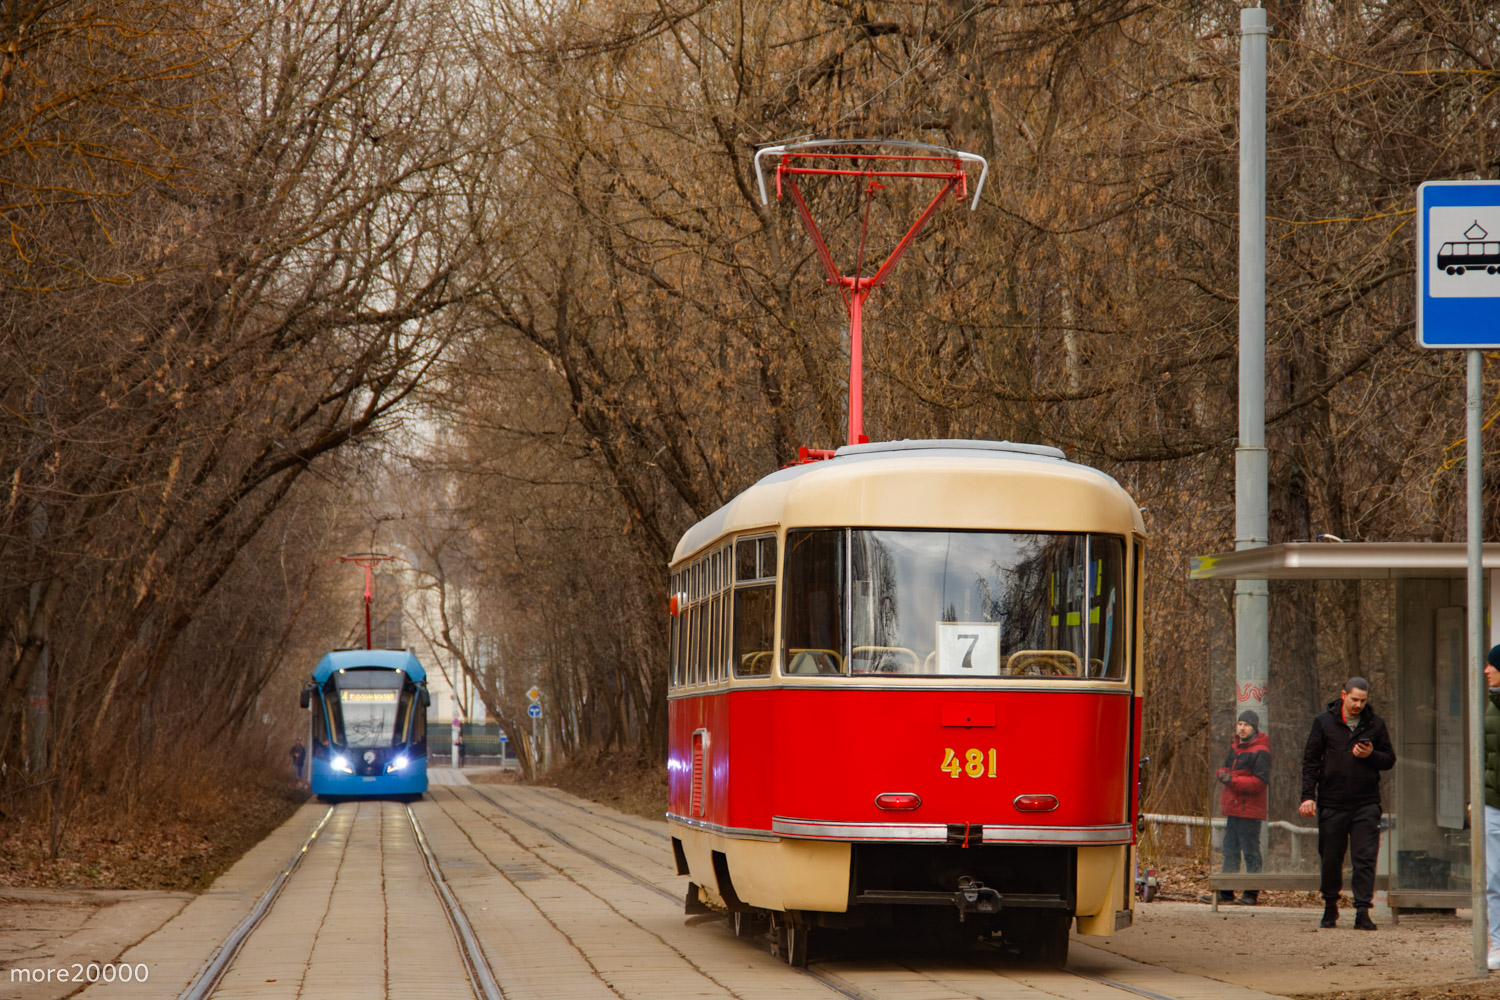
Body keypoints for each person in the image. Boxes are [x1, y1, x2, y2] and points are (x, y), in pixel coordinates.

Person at [1299, 677, 1396, 930]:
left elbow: (1389, 759)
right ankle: (1330, 905)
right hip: (1332, 802)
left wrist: (1370, 755)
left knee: (1364, 858)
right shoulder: (1324, 722)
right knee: (1331, 857)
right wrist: (1308, 796)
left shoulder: (1375, 724)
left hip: (1366, 802)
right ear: (1343, 695)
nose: (1358, 705)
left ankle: (1363, 910)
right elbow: (1311, 761)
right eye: (1354, 699)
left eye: (1363, 700)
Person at [1215, 710, 1270, 905]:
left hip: (1250, 810)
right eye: (1240, 724)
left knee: (1250, 851)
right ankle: (1225, 892)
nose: (1242, 728)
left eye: (1246, 724)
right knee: (1230, 849)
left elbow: (1260, 783)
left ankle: (1251, 893)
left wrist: (1232, 780)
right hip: (1234, 808)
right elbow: (1225, 768)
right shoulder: (1236, 747)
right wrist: (1222, 774)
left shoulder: (1261, 750)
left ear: (1254, 728)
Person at [1484, 646, 1500, 970]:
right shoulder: (1487, 707)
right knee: (1494, 878)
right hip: (1493, 804)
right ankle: (1498, 943)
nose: (1486, 670)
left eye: (1492, 665)